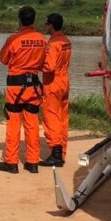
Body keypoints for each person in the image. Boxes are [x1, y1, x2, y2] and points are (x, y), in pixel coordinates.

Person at [0, 5, 46, 174]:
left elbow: (3, 59)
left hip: (16, 87)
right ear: (34, 20)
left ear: (20, 20)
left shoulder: (14, 39)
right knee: (32, 123)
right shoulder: (42, 40)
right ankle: (32, 162)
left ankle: (11, 162)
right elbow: (44, 63)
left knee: (14, 123)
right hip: (33, 86)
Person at [39, 13, 72, 168]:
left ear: (51, 25)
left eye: (47, 24)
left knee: (51, 116)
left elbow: (50, 66)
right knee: (62, 117)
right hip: (64, 80)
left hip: (53, 82)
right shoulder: (66, 41)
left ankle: (56, 153)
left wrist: (38, 65)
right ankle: (62, 152)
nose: (46, 26)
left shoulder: (53, 43)